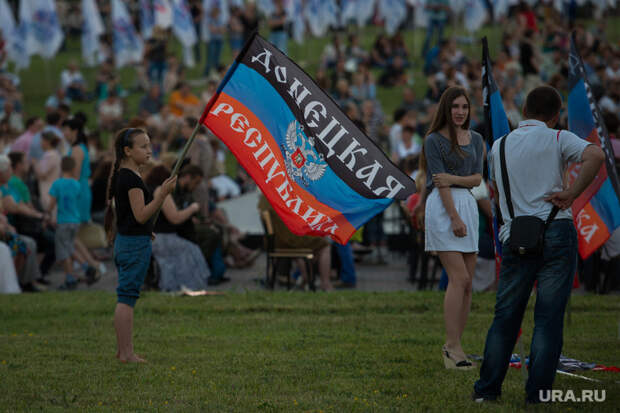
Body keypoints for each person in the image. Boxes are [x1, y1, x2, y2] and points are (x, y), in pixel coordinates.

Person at [473, 86, 605, 403]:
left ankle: (487, 390)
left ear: (525, 110)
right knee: (548, 318)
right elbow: (596, 155)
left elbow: (496, 192)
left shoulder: (499, 145)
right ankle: (539, 394)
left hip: (516, 234)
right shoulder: (558, 137)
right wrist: (571, 193)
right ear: (555, 116)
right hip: (556, 229)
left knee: (506, 317)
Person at [422, 87, 484, 369]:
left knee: (468, 283)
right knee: (458, 278)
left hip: (468, 205)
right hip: (444, 208)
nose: (460, 112)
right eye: (455, 106)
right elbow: (439, 182)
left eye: (464, 107)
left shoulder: (477, 139)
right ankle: (451, 346)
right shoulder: (433, 140)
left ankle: (457, 345)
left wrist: (453, 178)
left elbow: (477, 179)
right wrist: (454, 217)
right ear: (446, 109)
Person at [105, 128, 177, 363]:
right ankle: (127, 353)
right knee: (126, 299)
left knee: (125, 296)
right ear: (127, 150)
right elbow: (141, 214)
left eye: (149, 145)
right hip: (133, 246)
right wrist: (162, 194)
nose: (149, 150)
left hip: (127, 242)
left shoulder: (123, 175)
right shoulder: (132, 179)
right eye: (143, 146)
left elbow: (130, 216)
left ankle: (122, 350)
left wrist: (146, 230)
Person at [145, 164, 211, 292]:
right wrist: (192, 208)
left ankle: (174, 285)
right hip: (163, 238)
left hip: (155, 238)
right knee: (192, 251)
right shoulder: (161, 191)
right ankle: (184, 285)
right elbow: (175, 218)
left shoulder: (150, 190)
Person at [48, 157, 98, 290]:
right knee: (70, 248)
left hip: (63, 222)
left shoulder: (57, 184)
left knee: (63, 253)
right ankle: (87, 267)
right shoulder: (76, 184)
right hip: (75, 221)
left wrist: (47, 214)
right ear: (73, 168)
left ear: (61, 167)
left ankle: (70, 279)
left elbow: (52, 203)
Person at [63, 118, 92, 224]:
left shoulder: (77, 149)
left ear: (75, 131)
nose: (64, 133)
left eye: (66, 130)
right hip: (81, 189)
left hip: (78, 192)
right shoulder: (78, 147)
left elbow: (75, 175)